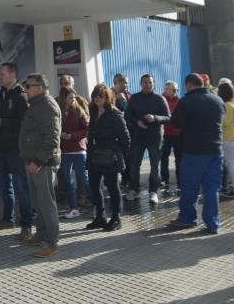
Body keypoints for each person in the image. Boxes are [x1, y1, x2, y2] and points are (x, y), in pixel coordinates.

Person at [168, 73, 226, 233]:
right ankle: (213, 224)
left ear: (188, 85)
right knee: (212, 188)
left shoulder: (186, 101)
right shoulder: (217, 100)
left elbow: (176, 123)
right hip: (215, 151)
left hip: (194, 151)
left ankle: (188, 218)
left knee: (190, 187)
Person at [18, 73, 62, 258]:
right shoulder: (36, 105)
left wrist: (37, 162)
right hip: (34, 163)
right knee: (39, 203)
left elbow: (52, 139)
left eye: (28, 86)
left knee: (46, 204)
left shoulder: (47, 106)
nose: (25, 89)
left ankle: (51, 243)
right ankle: (41, 235)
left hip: (43, 164)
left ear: (39, 88)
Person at [0, 63, 33, 238]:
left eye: (2, 74)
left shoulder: (21, 96)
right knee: (4, 186)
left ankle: (27, 225)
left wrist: (2, 122)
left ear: (13, 75)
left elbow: (25, 123)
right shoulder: (1, 94)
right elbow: (0, 117)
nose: (0, 77)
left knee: (21, 187)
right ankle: (8, 219)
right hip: (1, 148)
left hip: (16, 149)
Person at [85, 84, 132, 232]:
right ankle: (100, 216)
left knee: (112, 187)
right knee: (94, 187)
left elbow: (125, 138)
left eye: (101, 95)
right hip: (94, 155)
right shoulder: (92, 111)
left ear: (108, 97)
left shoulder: (114, 114)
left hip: (110, 155)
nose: (98, 98)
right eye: (95, 95)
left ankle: (116, 218)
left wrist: (120, 156)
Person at [126, 74, 171, 204]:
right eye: (145, 82)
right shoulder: (135, 98)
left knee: (154, 165)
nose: (147, 85)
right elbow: (128, 115)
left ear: (154, 84)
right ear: (141, 84)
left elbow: (168, 117)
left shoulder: (160, 99)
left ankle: (153, 191)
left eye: (150, 82)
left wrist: (155, 117)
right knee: (134, 164)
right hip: (138, 136)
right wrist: (137, 122)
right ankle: (134, 189)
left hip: (155, 136)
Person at [58, 86, 90, 219]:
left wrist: (71, 136)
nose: (73, 99)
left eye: (73, 97)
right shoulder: (58, 111)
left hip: (78, 149)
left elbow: (86, 129)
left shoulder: (79, 110)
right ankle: (74, 208)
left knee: (83, 178)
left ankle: (95, 205)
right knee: (67, 180)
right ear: (63, 98)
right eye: (70, 97)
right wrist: (61, 135)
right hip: (65, 151)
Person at [160, 80, 183, 194]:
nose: (175, 92)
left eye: (176, 90)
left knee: (179, 158)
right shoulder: (160, 100)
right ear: (166, 89)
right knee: (164, 157)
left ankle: (180, 179)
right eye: (173, 90)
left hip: (178, 134)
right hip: (165, 134)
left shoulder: (179, 101)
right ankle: (164, 178)